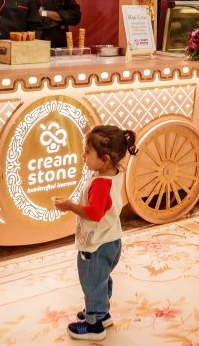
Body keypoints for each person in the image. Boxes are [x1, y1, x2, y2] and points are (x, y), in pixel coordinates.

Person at [55, 125, 138, 341]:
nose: (83, 156)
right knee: (102, 279)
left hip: (97, 245)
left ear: (105, 160)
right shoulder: (114, 173)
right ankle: (102, 312)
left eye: (87, 152)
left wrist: (70, 206)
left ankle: (94, 324)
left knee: (91, 281)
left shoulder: (101, 184)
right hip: (111, 239)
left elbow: (94, 213)